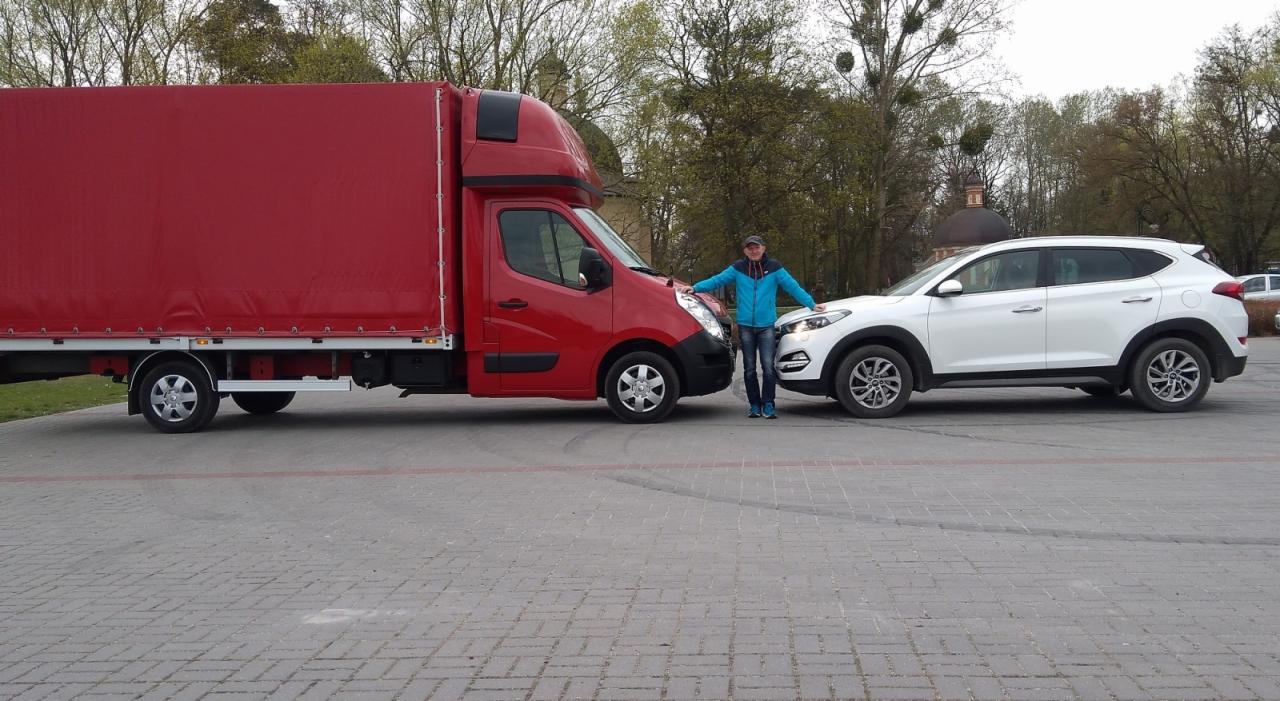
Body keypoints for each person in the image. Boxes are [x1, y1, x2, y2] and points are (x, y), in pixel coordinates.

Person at [679, 235, 825, 419]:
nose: (754, 251)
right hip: (746, 326)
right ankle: (754, 405)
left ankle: (769, 404)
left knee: (768, 367)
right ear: (745, 251)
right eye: (750, 248)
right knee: (749, 368)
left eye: (757, 247)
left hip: (767, 326)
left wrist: (812, 304)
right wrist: (695, 288)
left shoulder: (774, 268)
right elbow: (717, 280)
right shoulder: (738, 268)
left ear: (763, 248)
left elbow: (793, 287)